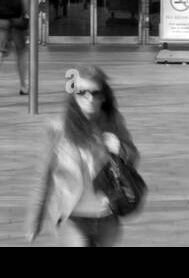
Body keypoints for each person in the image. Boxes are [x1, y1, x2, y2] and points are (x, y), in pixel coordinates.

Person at [26, 64, 139, 246]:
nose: (89, 98)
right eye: (82, 92)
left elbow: (133, 158)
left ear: (104, 96)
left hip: (107, 217)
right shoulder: (58, 128)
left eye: (95, 93)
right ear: (73, 95)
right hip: (72, 217)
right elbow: (43, 176)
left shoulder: (113, 123)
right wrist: (35, 218)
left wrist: (120, 148)